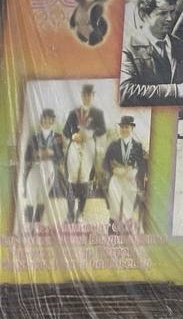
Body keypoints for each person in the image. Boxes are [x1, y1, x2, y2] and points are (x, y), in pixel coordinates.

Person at [120, 0, 183, 106]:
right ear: (144, 15)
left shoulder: (181, 47)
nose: (170, 18)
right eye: (163, 13)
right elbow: (124, 92)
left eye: (172, 12)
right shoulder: (127, 46)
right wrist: (176, 90)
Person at [63, 84, 107, 222]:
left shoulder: (98, 114)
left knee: (84, 179)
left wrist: (90, 131)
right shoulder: (74, 112)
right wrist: (73, 135)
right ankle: (70, 213)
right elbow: (65, 130)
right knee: (72, 178)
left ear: (93, 96)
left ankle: (80, 212)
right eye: (85, 94)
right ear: (81, 96)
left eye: (89, 95)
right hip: (75, 146)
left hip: (89, 146)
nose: (87, 97)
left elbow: (102, 130)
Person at [103, 115, 147, 235]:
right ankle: (112, 235)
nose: (124, 129)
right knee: (115, 209)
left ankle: (125, 236)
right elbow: (105, 163)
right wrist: (113, 170)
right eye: (122, 127)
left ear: (132, 128)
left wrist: (135, 174)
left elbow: (142, 166)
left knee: (128, 209)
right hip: (116, 180)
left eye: (127, 127)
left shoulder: (137, 146)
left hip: (130, 181)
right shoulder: (113, 145)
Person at [22, 107, 65, 226]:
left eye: (50, 119)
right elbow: (27, 156)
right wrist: (37, 154)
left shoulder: (58, 137)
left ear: (53, 121)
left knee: (42, 198)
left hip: (49, 170)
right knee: (31, 195)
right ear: (41, 120)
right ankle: (28, 224)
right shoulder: (34, 137)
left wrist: (51, 153)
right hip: (36, 168)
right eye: (45, 119)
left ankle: (36, 223)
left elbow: (60, 157)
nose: (47, 121)